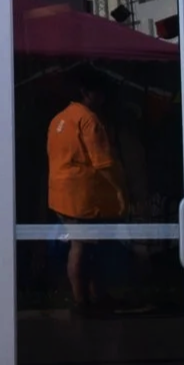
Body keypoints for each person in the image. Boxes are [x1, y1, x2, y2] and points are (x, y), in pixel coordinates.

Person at [46, 69, 126, 313]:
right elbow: (104, 163)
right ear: (87, 93)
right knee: (85, 247)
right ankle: (86, 300)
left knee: (80, 246)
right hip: (82, 196)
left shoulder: (60, 118)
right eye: (99, 93)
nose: (102, 98)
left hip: (59, 194)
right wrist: (120, 192)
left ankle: (85, 297)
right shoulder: (90, 120)